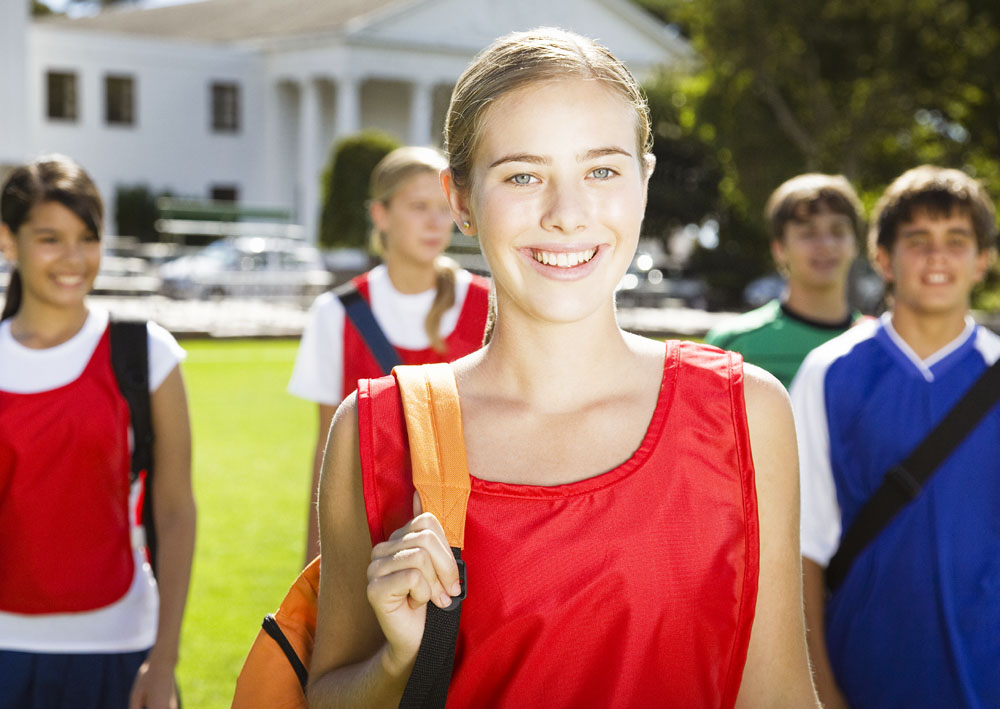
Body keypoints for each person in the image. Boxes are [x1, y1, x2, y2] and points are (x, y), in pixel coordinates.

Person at [306, 28, 818, 707]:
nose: (567, 214)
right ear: (459, 198)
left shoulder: (746, 413)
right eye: (523, 175)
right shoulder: (377, 429)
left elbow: (777, 693)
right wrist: (398, 660)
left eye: (602, 170)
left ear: (644, 181)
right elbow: (328, 694)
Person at [791, 165, 1000, 708]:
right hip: (860, 676)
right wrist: (821, 691)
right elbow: (802, 548)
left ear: (983, 260)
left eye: (957, 240)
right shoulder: (830, 371)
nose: (937, 256)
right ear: (883, 258)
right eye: (917, 240)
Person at [0, 155, 195, 709]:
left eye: (87, 238)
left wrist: (164, 661)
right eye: (49, 238)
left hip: (119, 646)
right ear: (8, 241)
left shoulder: (145, 354)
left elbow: (177, 512)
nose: (73, 258)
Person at [289, 146, 490, 562]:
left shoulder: (489, 305)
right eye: (419, 206)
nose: (436, 222)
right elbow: (328, 458)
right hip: (367, 545)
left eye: (444, 207)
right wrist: (316, 568)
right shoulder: (336, 314)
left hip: (474, 543)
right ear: (380, 215)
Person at [705, 173, 865, 389]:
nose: (826, 244)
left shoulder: (878, 346)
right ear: (779, 249)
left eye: (838, 231)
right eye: (808, 233)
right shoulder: (731, 346)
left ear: (855, 244)